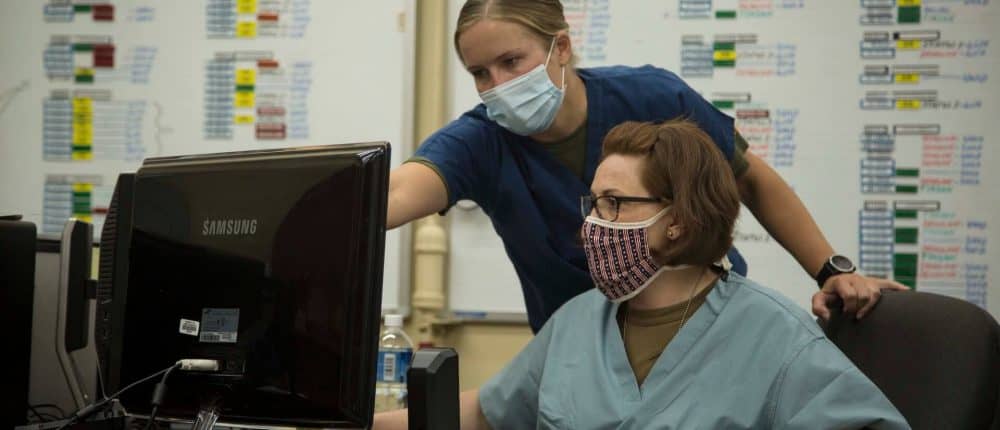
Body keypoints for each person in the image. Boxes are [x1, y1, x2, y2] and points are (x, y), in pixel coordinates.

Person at [388, 0, 907, 332]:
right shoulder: (480, 143)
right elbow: (389, 195)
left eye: (511, 62)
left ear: (560, 47)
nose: (498, 85)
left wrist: (830, 270)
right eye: (480, 73)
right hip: (585, 355)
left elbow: (751, 180)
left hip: (708, 326)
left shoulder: (650, 97)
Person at [374, 120, 910, 429]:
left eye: (613, 203)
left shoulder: (774, 338)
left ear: (678, 220)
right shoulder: (579, 323)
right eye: (593, 202)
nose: (591, 224)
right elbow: (489, 411)